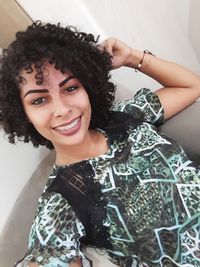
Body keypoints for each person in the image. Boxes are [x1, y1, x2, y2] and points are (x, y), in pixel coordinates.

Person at [0, 21, 200, 267]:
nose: (62, 109)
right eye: (40, 100)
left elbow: (191, 86)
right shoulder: (62, 201)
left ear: (88, 87)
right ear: (23, 115)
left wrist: (131, 58)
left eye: (71, 88)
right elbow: (48, 254)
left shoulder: (126, 116)